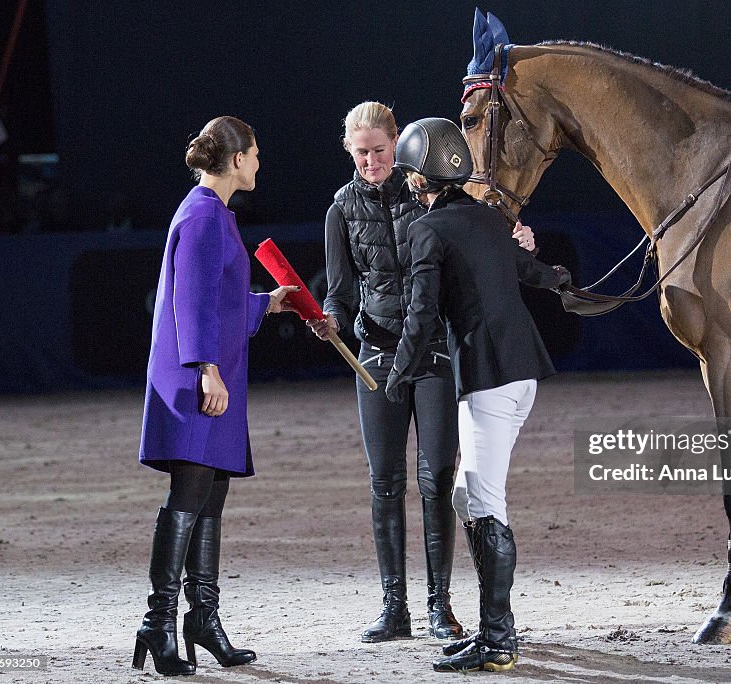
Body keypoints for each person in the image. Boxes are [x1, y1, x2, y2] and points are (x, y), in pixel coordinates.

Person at [307, 101, 537, 643]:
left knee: (436, 480)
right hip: (375, 356)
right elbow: (340, 293)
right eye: (360, 153)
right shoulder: (339, 209)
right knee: (384, 483)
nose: (370, 162)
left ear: (398, 147)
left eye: (379, 152)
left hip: (434, 352)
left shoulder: (430, 196)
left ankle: (440, 605)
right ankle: (395, 608)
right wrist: (330, 322)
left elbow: (483, 247)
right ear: (350, 152)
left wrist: (517, 244)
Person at [386, 117, 570, 673]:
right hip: (521, 374)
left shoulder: (427, 231)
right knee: (469, 497)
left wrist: (398, 374)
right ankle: (492, 631)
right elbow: (528, 270)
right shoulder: (490, 218)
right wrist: (561, 278)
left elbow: (420, 317)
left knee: (485, 500)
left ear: (421, 178)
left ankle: (498, 639)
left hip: (489, 377)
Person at [133, 115, 298, 676]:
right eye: (254, 154)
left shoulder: (213, 214)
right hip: (197, 376)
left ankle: (202, 619)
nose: (258, 163)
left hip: (208, 370)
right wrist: (207, 370)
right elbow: (193, 304)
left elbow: (220, 300)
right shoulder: (205, 215)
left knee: (211, 495)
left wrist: (267, 303)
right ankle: (159, 625)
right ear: (234, 159)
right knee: (190, 494)